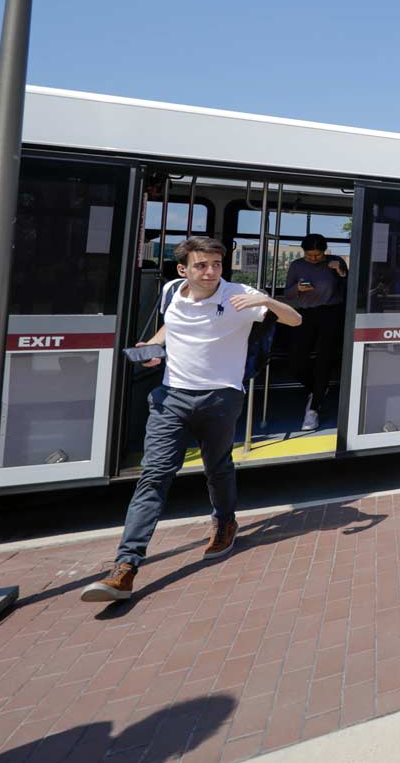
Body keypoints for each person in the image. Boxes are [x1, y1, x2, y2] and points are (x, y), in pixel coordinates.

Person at [81, 237, 301, 602]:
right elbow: (172, 325)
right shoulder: (171, 291)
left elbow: (295, 319)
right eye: (202, 265)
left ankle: (225, 521)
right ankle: (125, 566)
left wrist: (266, 300)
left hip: (221, 397)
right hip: (172, 398)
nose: (211, 271)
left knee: (217, 467)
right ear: (183, 269)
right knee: (154, 475)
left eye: (216, 264)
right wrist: (153, 347)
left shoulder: (239, 295)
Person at [283, 233, 348, 430]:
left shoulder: (335, 263)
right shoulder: (297, 265)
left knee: (325, 359)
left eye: (317, 255)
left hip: (331, 313)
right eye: (309, 255)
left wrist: (343, 273)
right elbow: (288, 293)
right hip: (305, 314)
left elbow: (351, 290)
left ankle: (313, 408)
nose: (313, 259)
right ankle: (318, 388)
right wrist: (299, 289)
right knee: (295, 362)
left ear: (324, 252)